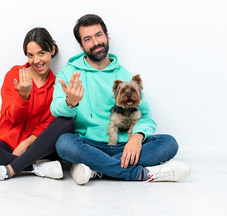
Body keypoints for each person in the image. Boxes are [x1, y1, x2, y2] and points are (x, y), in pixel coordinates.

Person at [51, 14, 190, 185]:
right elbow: (55, 108)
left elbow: (146, 116)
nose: (95, 43)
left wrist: (137, 136)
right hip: (89, 146)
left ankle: (96, 169)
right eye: (88, 39)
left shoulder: (125, 77)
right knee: (64, 143)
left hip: (126, 147)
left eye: (98, 35)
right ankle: (139, 173)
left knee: (169, 143)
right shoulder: (69, 73)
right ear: (81, 46)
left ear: (107, 37)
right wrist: (70, 102)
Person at [0, 27, 74, 183]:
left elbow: (47, 125)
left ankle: (8, 168)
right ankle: (33, 167)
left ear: (52, 50)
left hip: (35, 146)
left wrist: (25, 144)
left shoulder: (56, 85)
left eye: (41, 53)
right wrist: (23, 96)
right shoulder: (14, 75)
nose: (36, 61)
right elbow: (12, 118)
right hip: (6, 144)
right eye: (30, 55)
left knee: (66, 122)